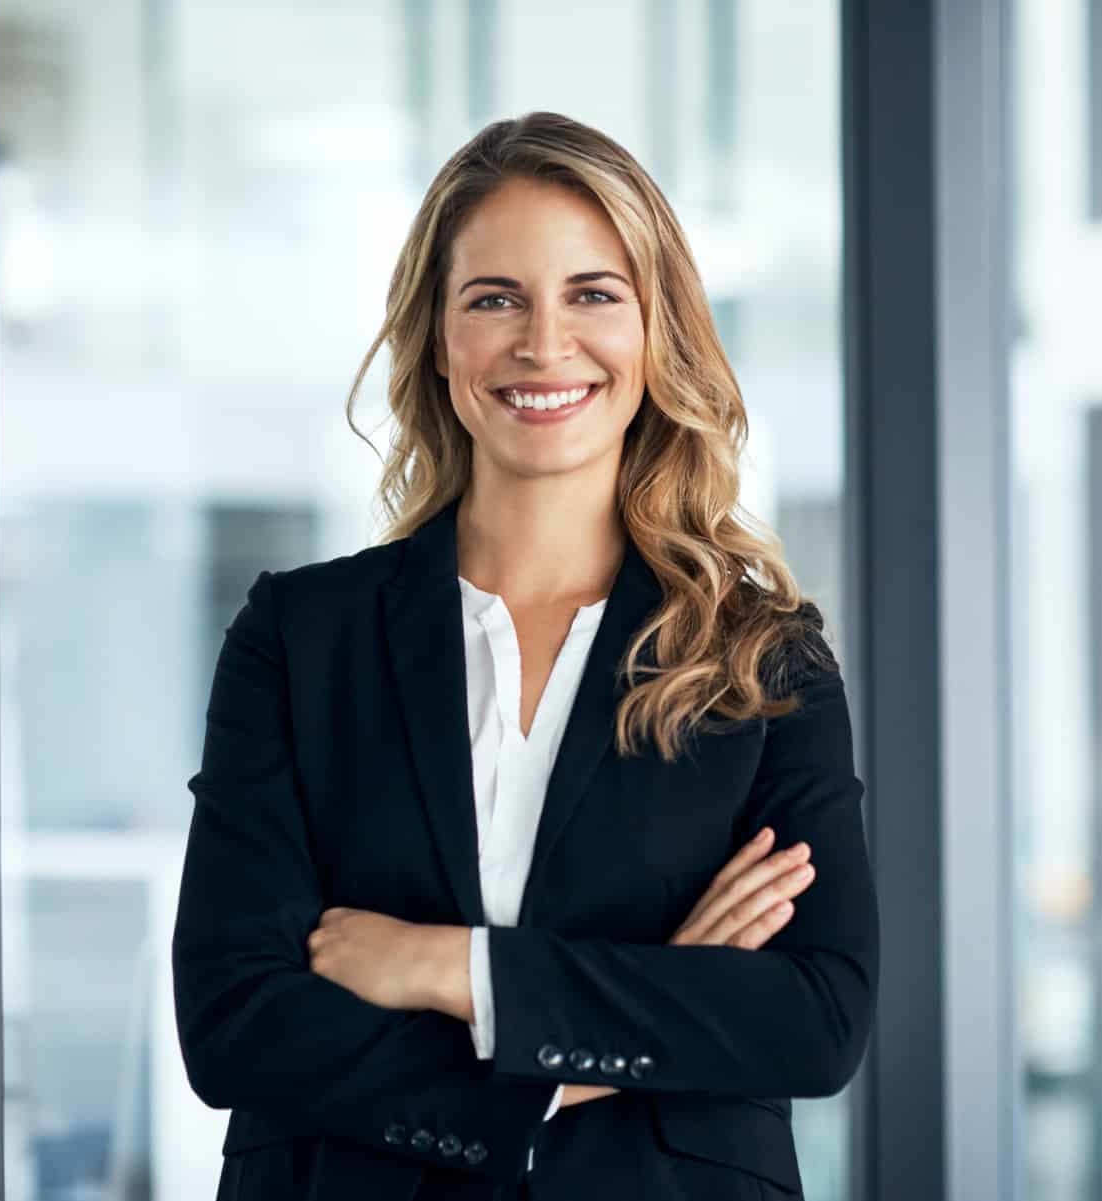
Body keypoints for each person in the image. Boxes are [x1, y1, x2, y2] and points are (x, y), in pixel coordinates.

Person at [171, 110, 879, 1201]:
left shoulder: (756, 660)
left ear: (657, 332)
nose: (543, 344)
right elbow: (235, 1021)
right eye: (494, 297)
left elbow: (814, 1019)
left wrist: (447, 967)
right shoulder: (300, 638)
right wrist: (648, 1007)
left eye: (592, 294)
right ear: (437, 336)